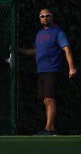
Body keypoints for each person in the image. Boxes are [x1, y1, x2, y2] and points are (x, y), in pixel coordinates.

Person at [17, 8, 77, 136]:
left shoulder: (58, 32)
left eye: (47, 16)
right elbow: (35, 51)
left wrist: (71, 67)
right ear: (39, 19)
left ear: (52, 17)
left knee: (50, 99)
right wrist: (19, 50)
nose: (45, 18)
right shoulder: (39, 34)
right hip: (41, 71)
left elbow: (67, 50)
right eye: (42, 16)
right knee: (46, 100)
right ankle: (51, 128)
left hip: (52, 70)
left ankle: (48, 129)